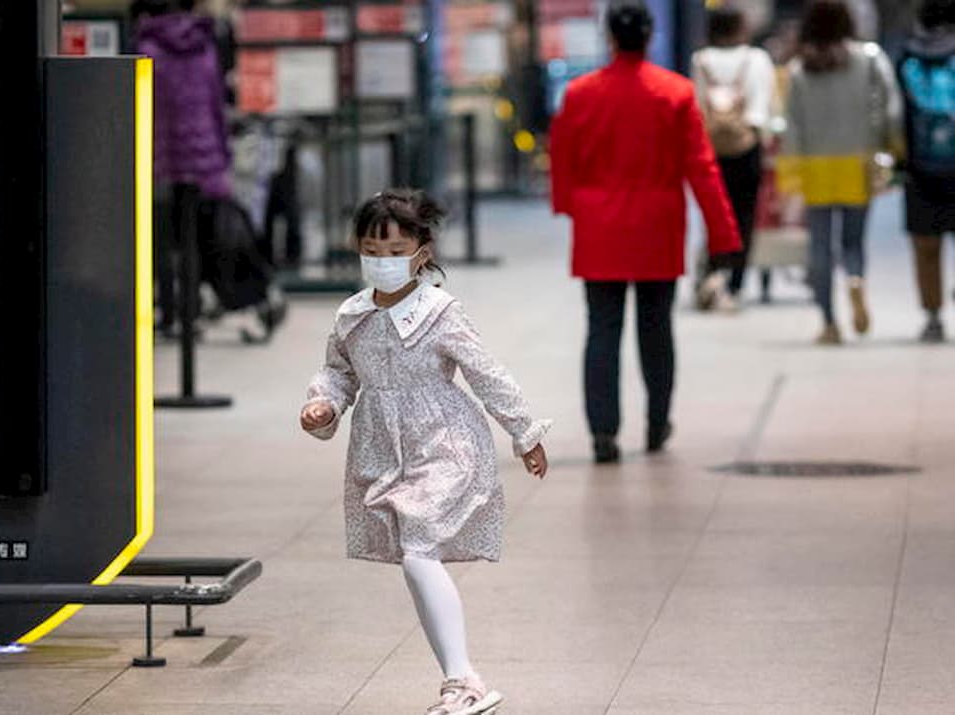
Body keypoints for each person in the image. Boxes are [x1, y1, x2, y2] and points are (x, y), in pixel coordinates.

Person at [300, 189, 550, 715]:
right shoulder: (352, 315)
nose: (382, 261)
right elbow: (339, 372)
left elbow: (486, 373)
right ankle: (461, 681)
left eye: (395, 251)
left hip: (445, 445)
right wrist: (324, 404)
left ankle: (463, 682)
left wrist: (523, 432)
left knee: (417, 552)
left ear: (422, 250)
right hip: (382, 450)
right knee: (416, 555)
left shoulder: (440, 313)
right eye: (372, 249)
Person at [548, 2, 741, 464]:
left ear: (610, 37)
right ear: (650, 37)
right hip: (657, 227)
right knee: (656, 330)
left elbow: (562, 160)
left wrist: (571, 206)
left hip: (600, 229)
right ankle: (657, 422)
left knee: (602, 330)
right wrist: (724, 234)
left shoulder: (580, 93)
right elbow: (702, 169)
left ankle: (603, 433)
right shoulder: (673, 93)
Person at [781, 0, 902, 345]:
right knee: (853, 240)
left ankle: (829, 321)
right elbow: (890, 107)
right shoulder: (868, 59)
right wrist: (890, 147)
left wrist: (790, 172)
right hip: (857, 161)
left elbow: (792, 125)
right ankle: (855, 278)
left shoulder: (800, 70)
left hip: (816, 167)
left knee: (819, 245)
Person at [132, 0, 231, 336]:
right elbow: (217, 104)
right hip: (200, 158)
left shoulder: (146, 49)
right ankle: (191, 315)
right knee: (191, 240)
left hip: (158, 158)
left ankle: (169, 313)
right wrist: (221, 152)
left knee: (160, 240)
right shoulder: (204, 47)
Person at [692, 6, 777, 310]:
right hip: (747, 144)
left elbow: (697, 105)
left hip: (711, 149)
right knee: (745, 218)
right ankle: (735, 284)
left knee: (715, 215)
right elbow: (765, 104)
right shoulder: (757, 59)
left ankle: (714, 271)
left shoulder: (700, 60)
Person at [897, 0, 955, 342]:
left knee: (926, 246)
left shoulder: (907, 57)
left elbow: (894, 114)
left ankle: (933, 315)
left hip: (919, 168)